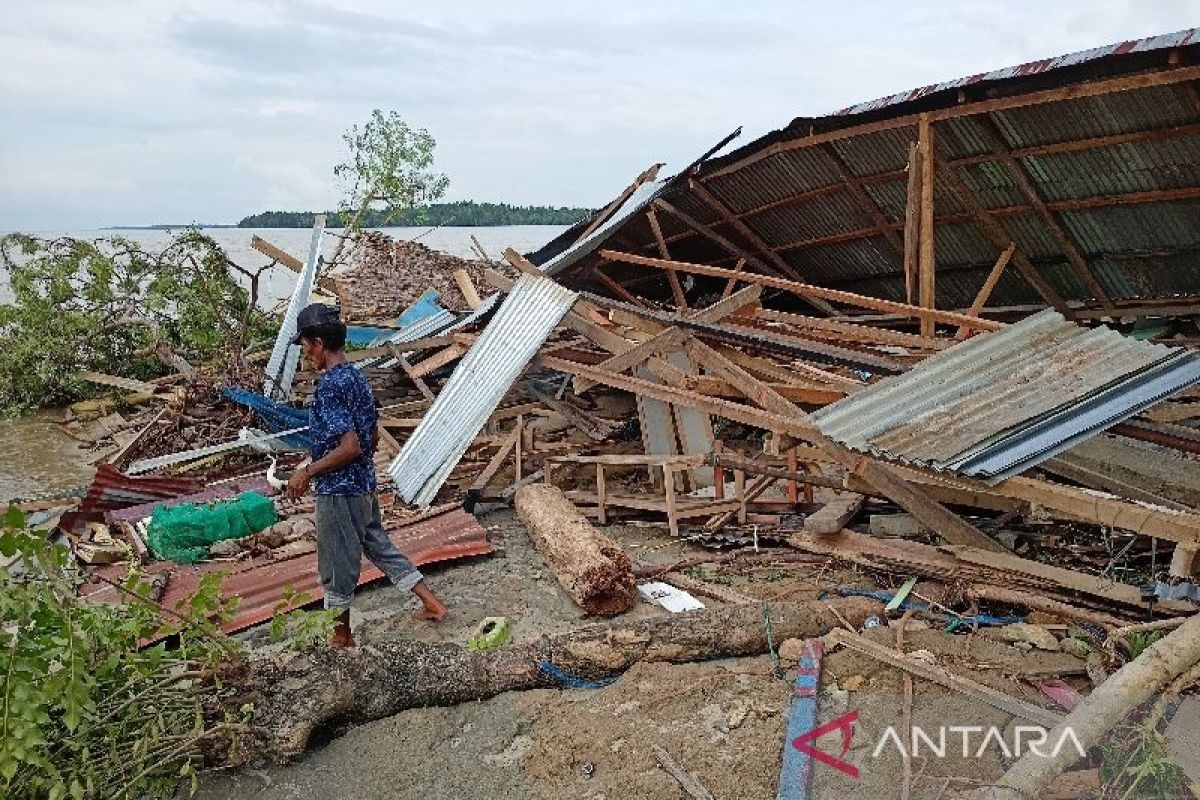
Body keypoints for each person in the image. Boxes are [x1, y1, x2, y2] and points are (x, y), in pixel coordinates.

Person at [285, 302, 448, 647]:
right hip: (364, 485)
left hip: (340, 492)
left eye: (304, 345)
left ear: (316, 342)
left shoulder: (330, 386)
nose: (305, 352)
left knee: (335, 565)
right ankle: (433, 604)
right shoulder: (355, 376)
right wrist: (354, 466)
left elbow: (351, 446)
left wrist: (308, 471)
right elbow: (371, 436)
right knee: (379, 545)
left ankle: (341, 636)